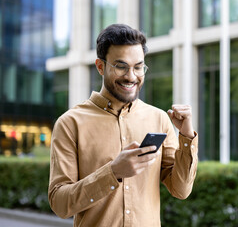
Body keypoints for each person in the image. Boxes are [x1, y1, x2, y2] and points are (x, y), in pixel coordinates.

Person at [48, 24, 198, 227]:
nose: (131, 76)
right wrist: (113, 173)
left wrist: (187, 136)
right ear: (100, 66)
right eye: (121, 66)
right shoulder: (70, 123)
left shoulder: (159, 119)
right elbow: (60, 203)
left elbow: (181, 190)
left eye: (138, 67)